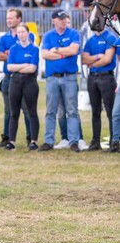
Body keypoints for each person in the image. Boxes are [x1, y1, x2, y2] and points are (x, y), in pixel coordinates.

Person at [39, 10, 81, 152]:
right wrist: (65, 53)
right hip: (52, 77)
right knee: (51, 110)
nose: (63, 21)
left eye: (64, 18)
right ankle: (48, 141)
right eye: (60, 18)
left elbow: (74, 51)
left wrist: (56, 50)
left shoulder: (74, 33)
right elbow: (45, 54)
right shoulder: (48, 35)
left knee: (72, 110)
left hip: (69, 77)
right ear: (54, 21)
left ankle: (73, 141)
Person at [0, 8, 33, 148]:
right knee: (8, 110)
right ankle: (7, 138)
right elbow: (0, 56)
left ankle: (31, 138)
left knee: (27, 109)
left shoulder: (28, 35)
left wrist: (11, 56)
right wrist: (16, 56)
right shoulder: (3, 38)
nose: (8, 20)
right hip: (8, 78)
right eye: (7, 18)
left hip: (24, 78)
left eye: (11, 18)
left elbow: (29, 54)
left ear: (19, 19)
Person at [6, 24, 41, 151]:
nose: (21, 34)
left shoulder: (34, 49)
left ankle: (33, 140)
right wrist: (24, 65)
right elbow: (9, 67)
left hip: (29, 82)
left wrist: (18, 66)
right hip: (15, 81)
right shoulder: (14, 48)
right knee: (14, 112)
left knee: (31, 111)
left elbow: (32, 68)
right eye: (19, 32)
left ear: (28, 33)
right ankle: (12, 141)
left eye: (23, 32)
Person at [81, 29, 116, 150]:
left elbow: (107, 59)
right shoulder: (90, 40)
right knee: (95, 111)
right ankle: (95, 141)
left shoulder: (110, 37)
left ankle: (114, 141)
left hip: (106, 77)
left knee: (110, 111)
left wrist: (93, 63)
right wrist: (97, 56)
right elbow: (84, 59)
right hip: (92, 78)